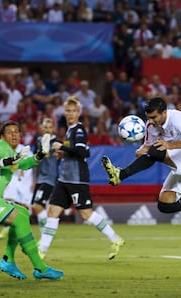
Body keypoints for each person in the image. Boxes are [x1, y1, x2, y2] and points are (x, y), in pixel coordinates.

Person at [102, 96, 181, 221]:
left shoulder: (178, 119)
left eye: (154, 117)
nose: (151, 121)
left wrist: (169, 145)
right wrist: (140, 152)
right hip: (179, 158)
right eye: (148, 118)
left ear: (164, 112)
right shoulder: (150, 126)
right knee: (165, 204)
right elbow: (147, 148)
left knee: (157, 149)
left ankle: (121, 175)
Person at [0, 120, 63, 280]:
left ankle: (8, 260)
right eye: (10, 132)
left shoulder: (10, 152)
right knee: (19, 219)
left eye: (16, 131)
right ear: (2, 136)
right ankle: (40, 267)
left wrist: (40, 154)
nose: (14, 134)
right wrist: (9, 161)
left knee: (23, 213)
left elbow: (24, 163)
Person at [38, 96, 124, 260]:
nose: (70, 114)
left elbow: (84, 152)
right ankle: (42, 250)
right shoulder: (70, 130)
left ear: (79, 113)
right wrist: (62, 153)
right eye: (68, 111)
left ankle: (116, 239)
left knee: (86, 214)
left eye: (73, 111)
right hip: (65, 179)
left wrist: (61, 146)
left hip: (77, 180)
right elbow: (74, 152)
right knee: (52, 212)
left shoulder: (78, 130)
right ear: (64, 113)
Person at [0, 142, 34, 239]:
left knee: (24, 207)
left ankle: (23, 230)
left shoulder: (25, 149)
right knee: (8, 203)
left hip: (25, 180)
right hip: (12, 179)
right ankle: (6, 228)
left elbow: (32, 163)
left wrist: (34, 180)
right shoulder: (5, 150)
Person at [31, 118, 59, 234]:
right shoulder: (38, 141)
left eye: (49, 127)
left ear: (53, 129)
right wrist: (34, 179)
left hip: (50, 179)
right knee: (35, 206)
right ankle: (47, 232)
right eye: (45, 127)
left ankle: (45, 233)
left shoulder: (56, 144)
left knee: (38, 206)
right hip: (40, 178)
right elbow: (35, 161)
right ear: (41, 129)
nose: (47, 130)